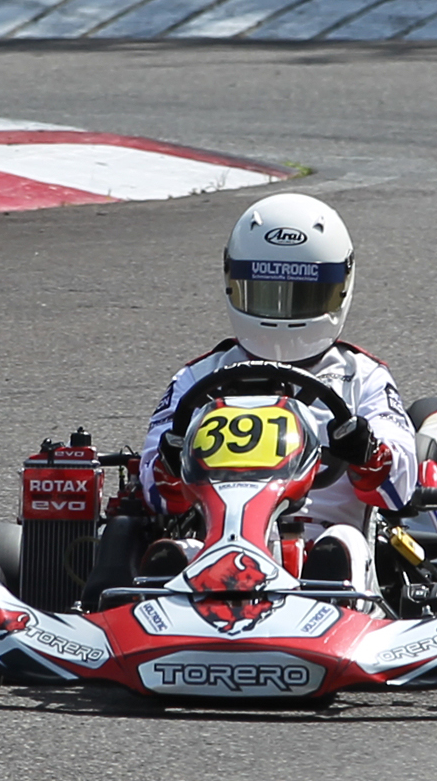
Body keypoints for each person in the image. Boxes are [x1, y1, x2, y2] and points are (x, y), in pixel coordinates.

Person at [138, 192, 416, 590]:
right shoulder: (198, 377)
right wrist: (170, 461)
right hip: (214, 552)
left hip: (323, 548)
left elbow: (399, 490)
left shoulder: (362, 377)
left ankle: (328, 605)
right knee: (172, 554)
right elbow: (155, 494)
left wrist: (368, 453)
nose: (283, 310)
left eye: (302, 295)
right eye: (267, 293)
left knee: (343, 546)